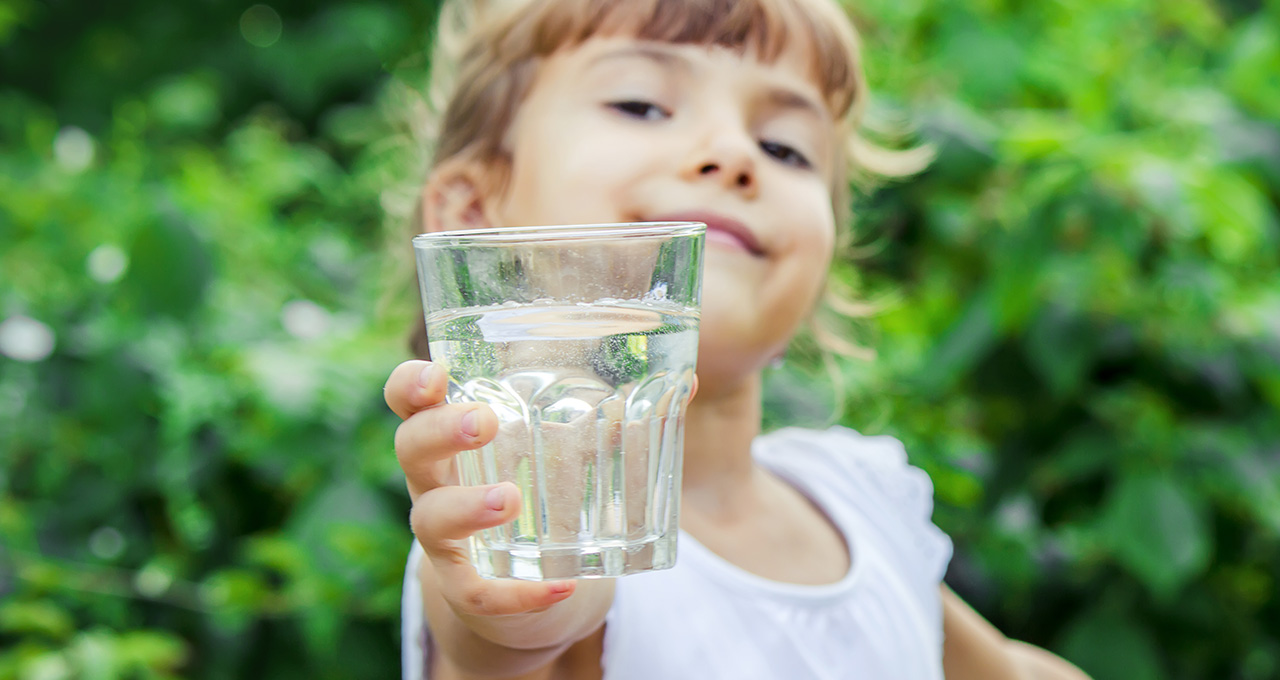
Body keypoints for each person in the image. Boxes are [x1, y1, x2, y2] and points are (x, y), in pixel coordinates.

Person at [383, 0, 1092, 678]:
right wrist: (530, 572)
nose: (732, 153)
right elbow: (513, 632)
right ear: (471, 219)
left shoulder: (852, 501)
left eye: (786, 147)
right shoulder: (502, 520)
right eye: (641, 104)